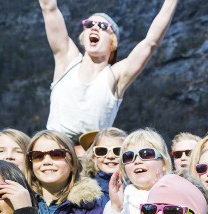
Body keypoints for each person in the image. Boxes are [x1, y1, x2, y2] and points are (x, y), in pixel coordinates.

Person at [38, 0, 178, 139]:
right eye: (89, 24)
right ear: (83, 37)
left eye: (103, 26)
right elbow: (49, 7)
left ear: (113, 42)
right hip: (55, 148)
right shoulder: (67, 59)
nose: (94, 28)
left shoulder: (115, 76)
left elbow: (151, 42)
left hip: (91, 154)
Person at [93, 128, 172, 214]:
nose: (137, 161)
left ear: (164, 163)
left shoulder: (178, 199)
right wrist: (116, 209)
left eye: (146, 154)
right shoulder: (119, 203)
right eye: (129, 157)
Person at [25, 130, 105, 214]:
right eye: (38, 156)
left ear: (73, 163)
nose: (47, 161)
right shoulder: (21, 204)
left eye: (57, 154)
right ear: (31, 165)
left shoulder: (90, 209)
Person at [82, 127, 126, 195]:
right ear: (93, 157)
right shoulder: (83, 191)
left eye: (118, 151)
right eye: (102, 151)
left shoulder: (139, 186)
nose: (110, 156)